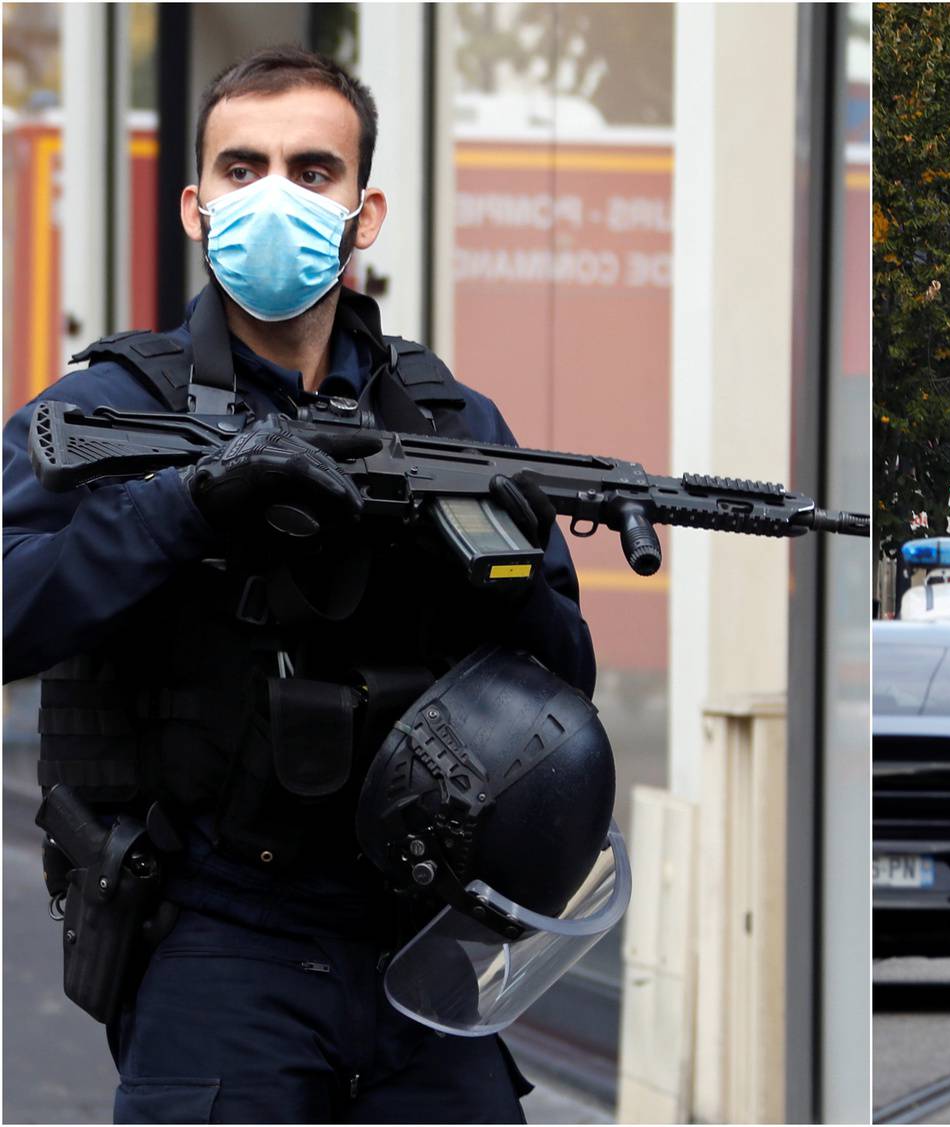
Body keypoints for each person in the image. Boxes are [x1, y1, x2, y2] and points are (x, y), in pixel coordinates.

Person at [2, 48, 594, 1121]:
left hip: (421, 943)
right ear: (194, 205)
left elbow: (559, 685)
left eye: (311, 172)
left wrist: (490, 569)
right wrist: (186, 505)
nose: (273, 195)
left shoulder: (451, 425)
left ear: (364, 214)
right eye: (242, 168)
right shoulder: (114, 409)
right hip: (218, 936)